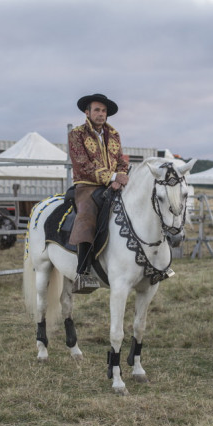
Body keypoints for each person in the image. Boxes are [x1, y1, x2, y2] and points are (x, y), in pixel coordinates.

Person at [68, 93, 129, 293]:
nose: (101, 114)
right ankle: (82, 272)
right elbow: (82, 164)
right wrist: (112, 178)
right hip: (87, 184)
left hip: (114, 185)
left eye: (103, 111)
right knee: (86, 214)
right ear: (87, 112)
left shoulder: (114, 134)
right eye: (97, 110)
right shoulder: (77, 134)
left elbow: (121, 160)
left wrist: (120, 178)